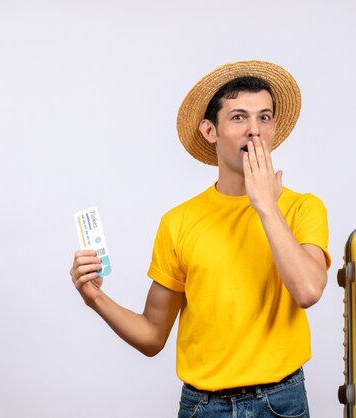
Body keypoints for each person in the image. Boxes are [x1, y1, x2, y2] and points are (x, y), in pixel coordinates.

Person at [70, 60, 330, 417]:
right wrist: (94, 297)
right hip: (204, 408)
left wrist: (265, 206)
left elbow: (308, 291)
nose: (255, 130)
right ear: (210, 131)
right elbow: (151, 336)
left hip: (281, 402)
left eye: (265, 117)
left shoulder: (303, 208)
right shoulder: (179, 223)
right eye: (239, 117)